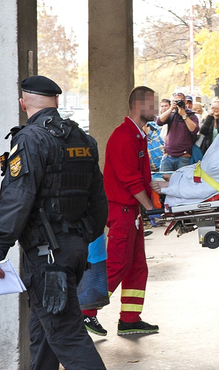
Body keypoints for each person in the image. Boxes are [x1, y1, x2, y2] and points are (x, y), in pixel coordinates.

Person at [0, 76, 107, 369]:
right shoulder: (83, 140)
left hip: (47, 255)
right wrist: (80, 237)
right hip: (72, 250)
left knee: (66, 335)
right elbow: (99, 200)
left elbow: (18, 196)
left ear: (23, 103)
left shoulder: (30, 139)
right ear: (57, 101)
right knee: (43, 335)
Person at [81, 86, 160, 336]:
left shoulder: (137, 135)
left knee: (137, 266)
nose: (157, 109)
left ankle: (129, 318)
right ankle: (85, 312)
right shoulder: (124, 135)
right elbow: (129, 179)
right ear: (139, 106)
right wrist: (150, 207)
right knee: (117, 264)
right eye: (152, 104)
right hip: (123, 210)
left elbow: (138, 177)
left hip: (131, 211)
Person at [156, 92, 200, 171]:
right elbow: (159, 122)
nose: (178, 103)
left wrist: (184, 115)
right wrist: (171, 109)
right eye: (175, 101)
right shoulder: (172, 114)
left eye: (180, 101)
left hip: (183, 157)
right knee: (163, 182)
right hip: (167, 156)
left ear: (185, 101)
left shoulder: (192, 116)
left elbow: (194, 130)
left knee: (181, 182)